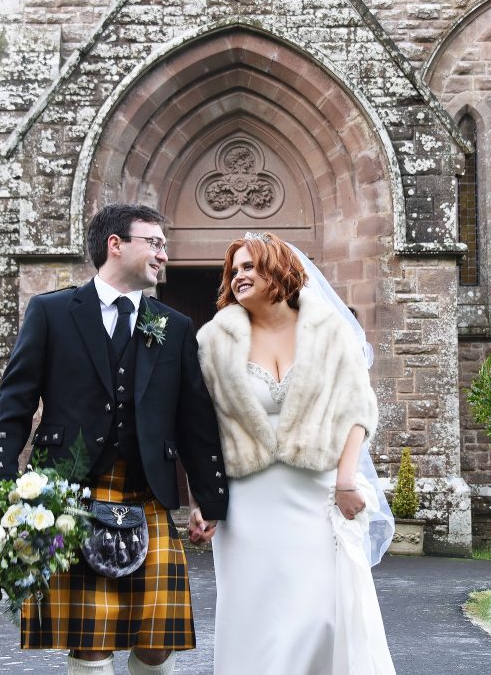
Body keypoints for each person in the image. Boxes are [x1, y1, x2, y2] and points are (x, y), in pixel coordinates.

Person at [0, 203, 228, 675]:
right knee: (90, 639)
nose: (164, 255)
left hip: (148, 494)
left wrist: (207, 500)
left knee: (158, 640)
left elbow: (195, 421)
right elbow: (13, 405)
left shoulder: (173, 326)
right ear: (115, 244)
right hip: (72, 495)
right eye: (154, 243)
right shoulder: (52, 312)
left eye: (165, 245)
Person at [196, 232, 395, 674]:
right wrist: (203, 499)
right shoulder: (213, 339)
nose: (238, 275)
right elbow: (203, 426)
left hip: (316, 493)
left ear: (277, 270)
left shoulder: (329, 331)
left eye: (249, 266)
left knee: (318, 616)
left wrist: (346, 481)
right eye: (235, 269)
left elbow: (357, 409)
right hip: (246, 501)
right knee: (254, 620)